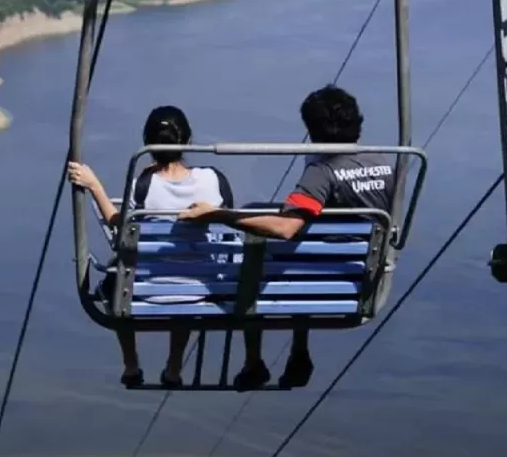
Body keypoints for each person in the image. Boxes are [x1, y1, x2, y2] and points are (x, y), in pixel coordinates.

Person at [179, 85, 395, 390]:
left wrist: (219, 214)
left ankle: (253, 361)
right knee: (302, 252)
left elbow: (286, 228)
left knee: (254, 255)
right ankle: (298, 349)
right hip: (362, 274)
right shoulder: (383, 161)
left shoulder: (322, 171)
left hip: (322, 276)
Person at [67, 105, 235, 388]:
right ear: (188, 140)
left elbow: (117, 225)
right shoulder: (213, 179)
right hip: (200, 288)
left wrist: (95, 186)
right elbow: (229, 218)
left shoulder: (144, 186)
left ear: (148, 144)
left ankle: (131, 363)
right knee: (185, 282)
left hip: (149, 287)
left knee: (116, 280)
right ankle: (173, 367)